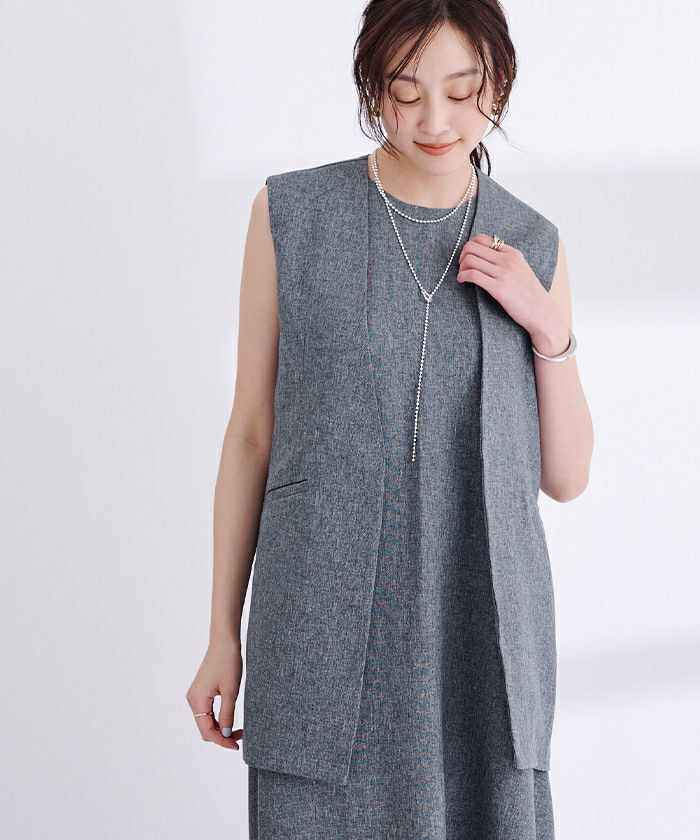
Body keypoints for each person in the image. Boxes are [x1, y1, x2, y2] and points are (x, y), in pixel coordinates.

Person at [186, 1, 594, 837]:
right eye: (406, 92)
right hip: (320, 634)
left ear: (498, 85)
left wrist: (547, 326)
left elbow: (566, 477)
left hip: (480, 639)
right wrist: (222, 633)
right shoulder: (291, 215)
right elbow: (252, 433)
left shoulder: (532, 242)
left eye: (462, 91)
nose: (435, 121)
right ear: (372, 87)